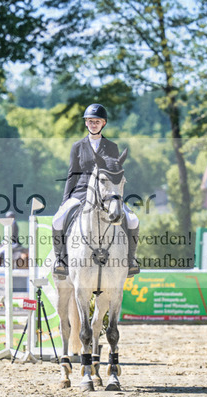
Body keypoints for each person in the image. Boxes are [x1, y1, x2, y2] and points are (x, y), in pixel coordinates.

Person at [52, 103, 140, 279]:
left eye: (97, 121)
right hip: (81, 192)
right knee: (58, 220)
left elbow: (115, 174)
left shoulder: (111, 146)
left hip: (107, 193)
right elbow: (72, 174)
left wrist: (117, 195)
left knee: (133, 220)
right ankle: (60, 260)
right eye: (90, 121)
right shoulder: (78, 146)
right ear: (86, 123)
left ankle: (131, 260)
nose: (93, 124)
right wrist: (65, 201)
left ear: (103, 123)